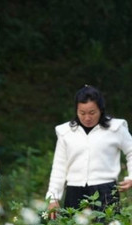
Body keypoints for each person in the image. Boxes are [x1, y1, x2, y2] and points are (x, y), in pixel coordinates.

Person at [46, 85, 132, 216]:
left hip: (106, 191)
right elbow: (59, 166)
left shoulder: (116, 128)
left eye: (92, 113)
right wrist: (53, 197)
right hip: (74, 191)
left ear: (101, 110)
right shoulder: (66, 132)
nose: (87, 118)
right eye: (82, 113)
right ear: (76, 110)